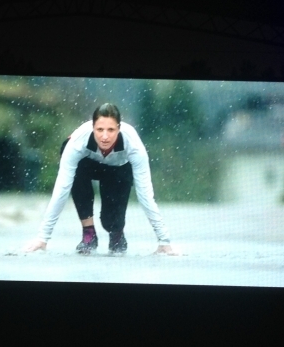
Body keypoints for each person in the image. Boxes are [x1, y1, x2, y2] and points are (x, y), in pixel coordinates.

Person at [23, 103, 177, 255]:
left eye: (111, 130)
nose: (105, 137)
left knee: (109, 222)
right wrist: (43, 238)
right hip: (87, 166)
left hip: (119, 170)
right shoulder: (78, 141)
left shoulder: (134, 145)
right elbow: (61, 190)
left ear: (119, 128)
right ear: (92, 128)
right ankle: (88, 233)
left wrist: (164, 240)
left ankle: (117, 233)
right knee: (75, 171)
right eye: (100, 130)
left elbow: (145, 196)